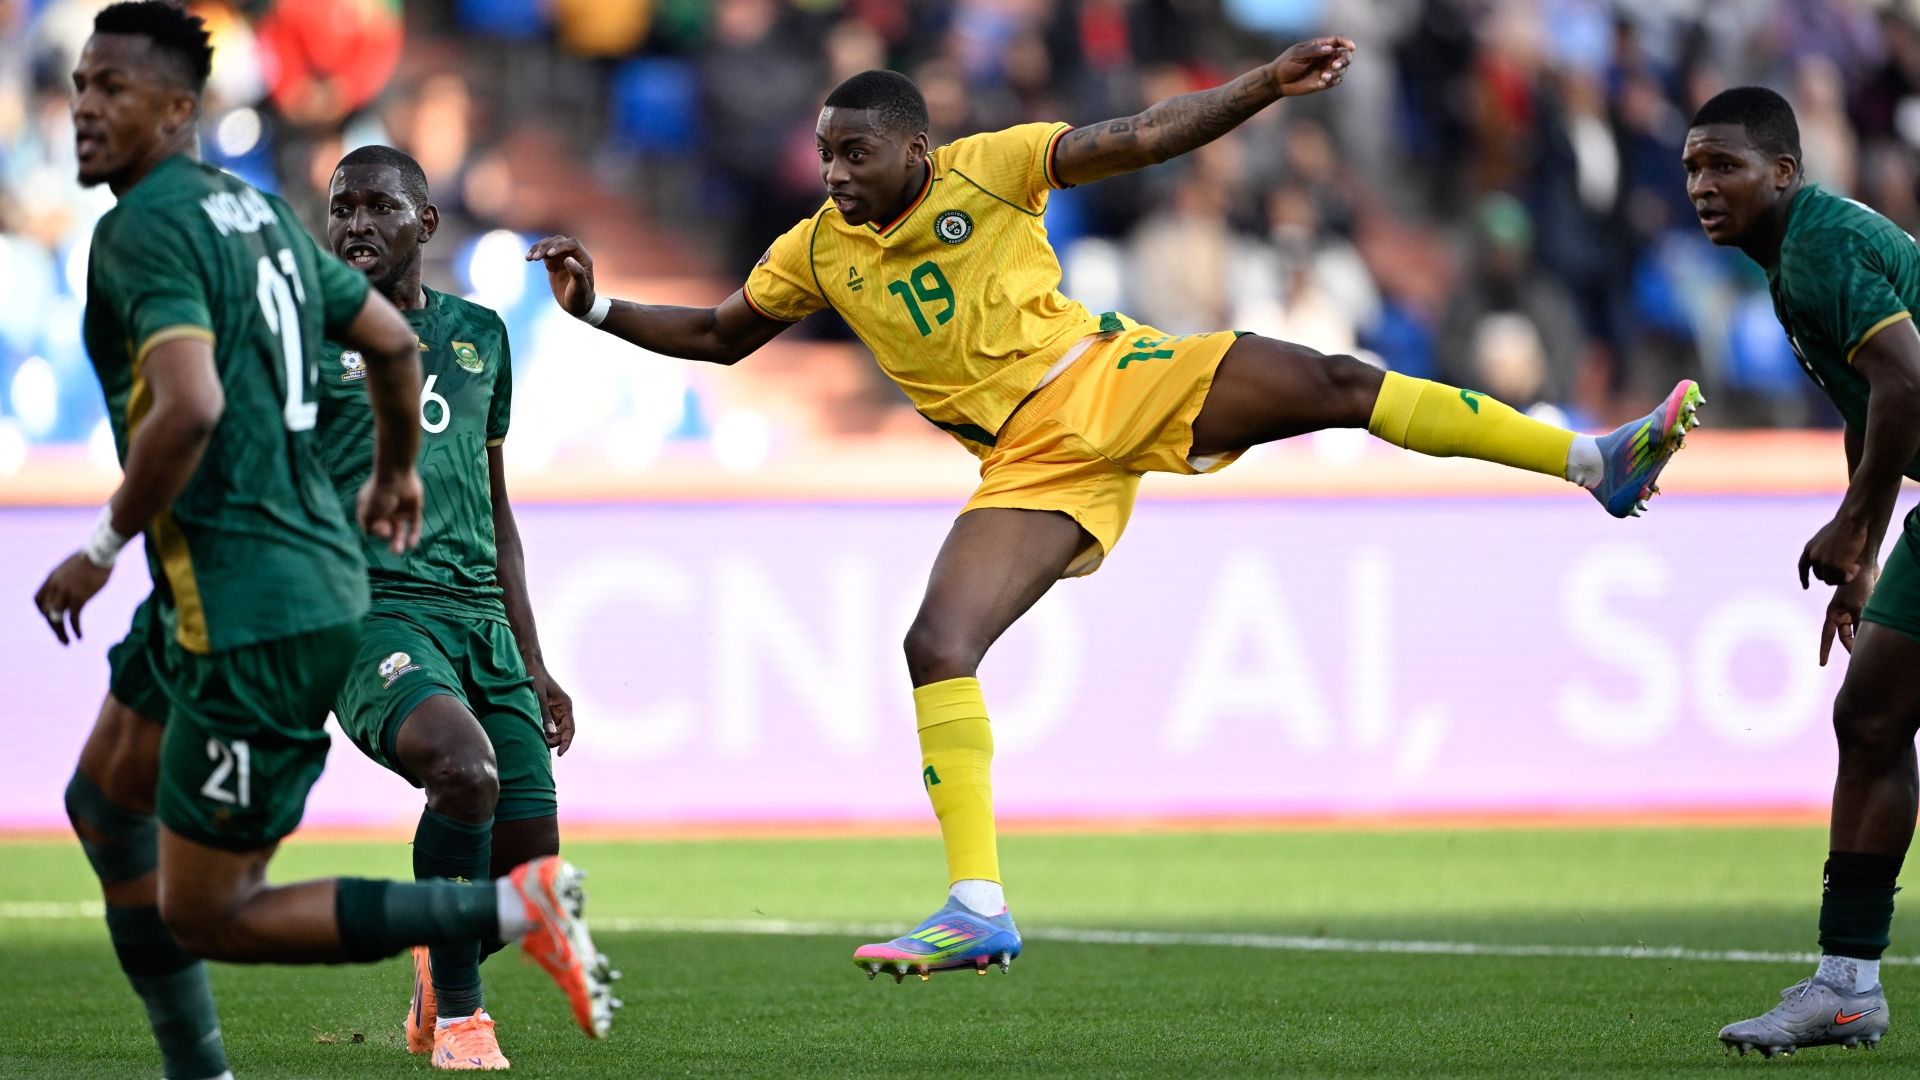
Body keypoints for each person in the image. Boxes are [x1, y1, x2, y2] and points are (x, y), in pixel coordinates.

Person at [528, 41, 1701, 982]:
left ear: (919, 151)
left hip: (1119, 374)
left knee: (1337, 383)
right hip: (1031, 462)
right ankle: (976, 906)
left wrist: (1262, 89)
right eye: (826, 153)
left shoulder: (996, 163)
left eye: (857, 153)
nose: (834, 173)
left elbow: (1137, 138)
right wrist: (600, 310)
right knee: (937, 643)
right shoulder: (819, 250)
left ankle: (1592, 462)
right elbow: (725, 335)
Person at [31, 8, 614, 1076]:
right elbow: (388, 345)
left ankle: (491, 911)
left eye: (110, 88)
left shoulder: (151, 230)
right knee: (100, 807)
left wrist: (100, 545)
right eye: (78, 85)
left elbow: (193, 407)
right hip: (236, 587)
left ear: (174, 109)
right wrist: (392, 469)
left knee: (215, 910)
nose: (81, 109)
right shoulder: (255, 218)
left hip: (257, 594)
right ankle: (227, 1060)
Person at [314, 144, 573, 1071]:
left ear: (425, 225)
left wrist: (535, 662)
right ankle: (464, 1023)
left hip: (482, 621)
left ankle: (437, 965)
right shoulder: (304, 339)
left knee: (526, 867)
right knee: (463, 772)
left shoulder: (479, 335)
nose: (355, 225)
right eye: (341, 207)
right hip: (372, 615)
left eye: (379, 207)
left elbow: (496, 506)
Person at [1684, 86, 1920, 1058]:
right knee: (1870, 719)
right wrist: (1862, 553)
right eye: (1693, 168)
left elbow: (1909, 380)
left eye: (1724, 166)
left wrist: (1854, 522)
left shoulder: (1815, 247)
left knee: (1870, 720)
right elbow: (1877, 403)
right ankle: (1848, 987)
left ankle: (1847, 984)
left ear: (1784, 172)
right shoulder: (1800, 254)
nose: (1703, 186)